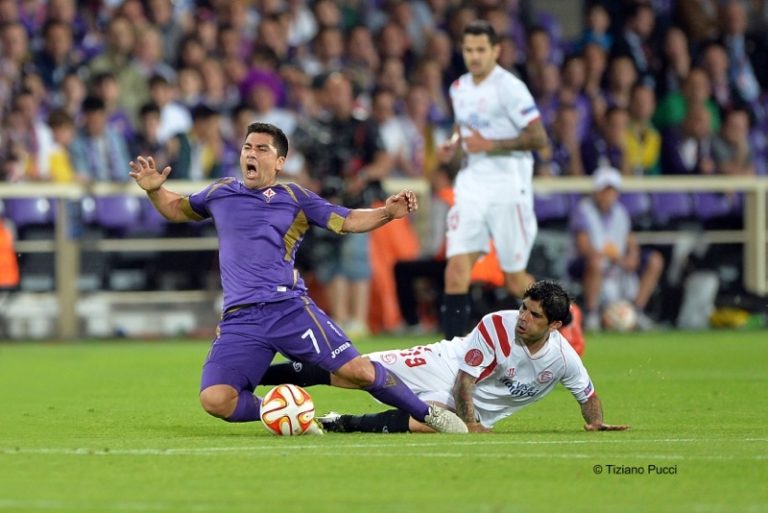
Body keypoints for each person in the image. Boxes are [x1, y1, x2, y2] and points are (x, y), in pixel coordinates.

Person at [128, 122, 467, 434]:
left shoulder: (294, 198)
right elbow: (177, 208)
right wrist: (155, 191)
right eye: (248, 146)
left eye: (262, 149)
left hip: (288, 309)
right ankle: (298, 416)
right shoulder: (221, 193)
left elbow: (346, 220)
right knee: (216, 399)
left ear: (279, 162)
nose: (251, 153)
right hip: (240, 319)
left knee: (359, 372)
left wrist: (387, 213)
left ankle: (428, 414)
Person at [261, 280, 627, 433]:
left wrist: (594, 423)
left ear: (556, 325)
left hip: (462, 400)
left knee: (427, 425)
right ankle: (258, 375)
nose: (523, 319)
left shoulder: (563, 358)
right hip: (444, 365)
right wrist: (471, 425)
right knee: (352, 370)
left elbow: (588, 395)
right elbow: (464, 380)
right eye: (523, 308)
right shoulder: (498, 325)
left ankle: (343, 422)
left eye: (534, 316)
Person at [438, 20, 548, 340]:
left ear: (495, 51)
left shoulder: (510, 88)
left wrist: (492, 145)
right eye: (469, 50)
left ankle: (564, 319)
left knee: (515, 281)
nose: (474, 56)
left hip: (508, 188)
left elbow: (538, 137)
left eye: (481, 50)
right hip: (472, 186)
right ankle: (450, 358)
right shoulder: (459, 88)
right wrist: (454, 142)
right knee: (456, 271)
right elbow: (465, 127)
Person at [568, 166, 664, 331]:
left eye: (611, 190)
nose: (608, 195)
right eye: (604, 190)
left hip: (616, 263)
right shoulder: (583, 210)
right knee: (596, 262)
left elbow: (631, 241)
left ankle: (637, 311)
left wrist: (632, 256)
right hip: (587, 263)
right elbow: (584, 247)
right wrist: (616, 258)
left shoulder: (621, 212)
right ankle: (592, 314)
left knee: (655, 260)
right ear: (596, 191)